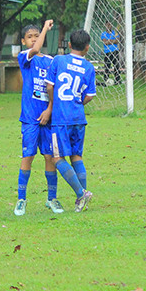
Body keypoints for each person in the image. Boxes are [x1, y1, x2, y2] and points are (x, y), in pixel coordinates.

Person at [15, 20, 63, 216]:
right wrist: (44, 29)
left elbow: (55, 89)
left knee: (50, 157)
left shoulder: (51, 61)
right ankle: (21, 199)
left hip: (48, 118)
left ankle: (52, 198)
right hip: (30, 118)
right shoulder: (25, 58)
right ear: (23, 41)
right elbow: (35, 50)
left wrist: (50, 110)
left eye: (37, 35)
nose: (34, 39)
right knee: (28, 156)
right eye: (30, 37)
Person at [46, 29, 96, 212]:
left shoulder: (59, 61)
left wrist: (54, 103)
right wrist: (77, 102)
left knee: (57, 158)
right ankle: (82, 201)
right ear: (87, 47)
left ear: (68, 45)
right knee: (76, 156)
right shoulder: (89, 67)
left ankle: (81, 193)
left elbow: (50, 86)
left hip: (61, 118)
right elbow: (89, 96)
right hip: (78, 117)